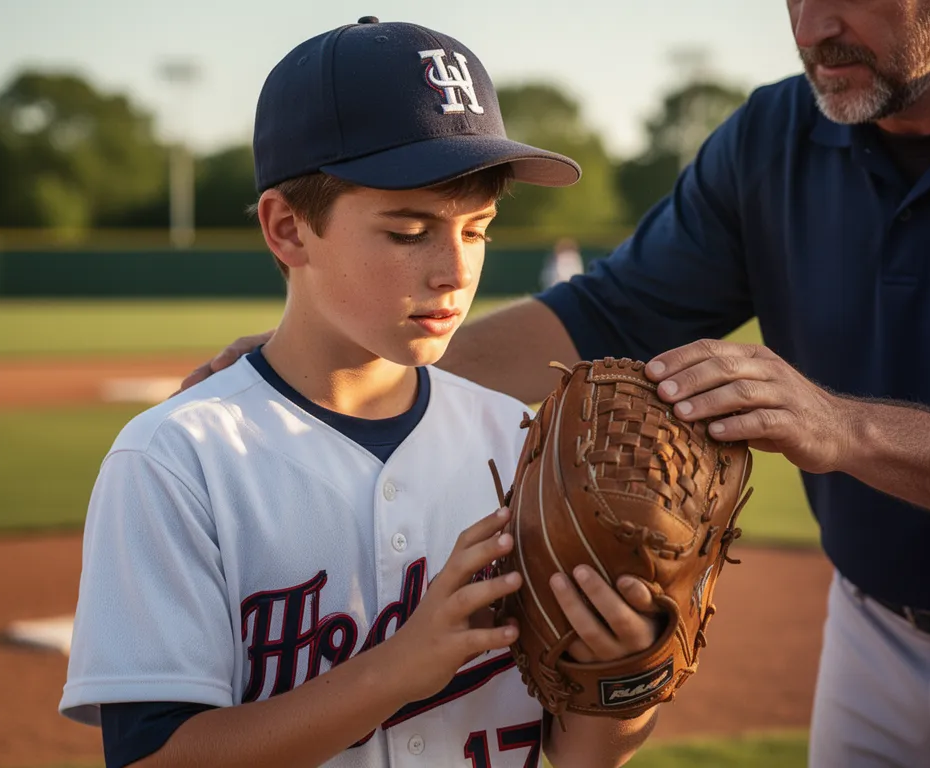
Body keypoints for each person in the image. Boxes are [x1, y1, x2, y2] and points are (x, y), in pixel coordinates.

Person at [186, 2, 930, 766]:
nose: (812, 27)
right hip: (869, 624)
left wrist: (847, 429)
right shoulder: (773, 139)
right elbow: (609, 311)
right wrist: (336, 360)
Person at [60, 18, 662, 768]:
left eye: (478, 230)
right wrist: (398, 669)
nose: (454, 270)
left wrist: (625, 677)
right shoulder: (179, 460)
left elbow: (577, 756)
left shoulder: (523, 442)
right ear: (287, 230)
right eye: (409, 231)